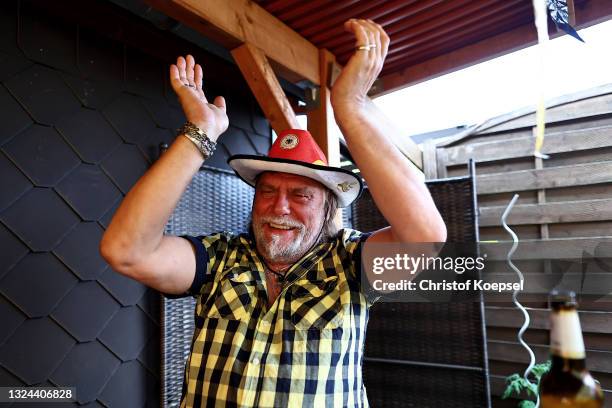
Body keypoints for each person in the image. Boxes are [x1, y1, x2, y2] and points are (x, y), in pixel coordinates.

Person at [100, 18, 446, 408]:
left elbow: (424, 237)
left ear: (328, 207)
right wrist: (201, 132)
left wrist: (349, 108)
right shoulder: (220, 258)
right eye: (267, 191)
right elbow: (126, 250)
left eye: (300, 195)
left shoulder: (350, 263)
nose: (279, 206)